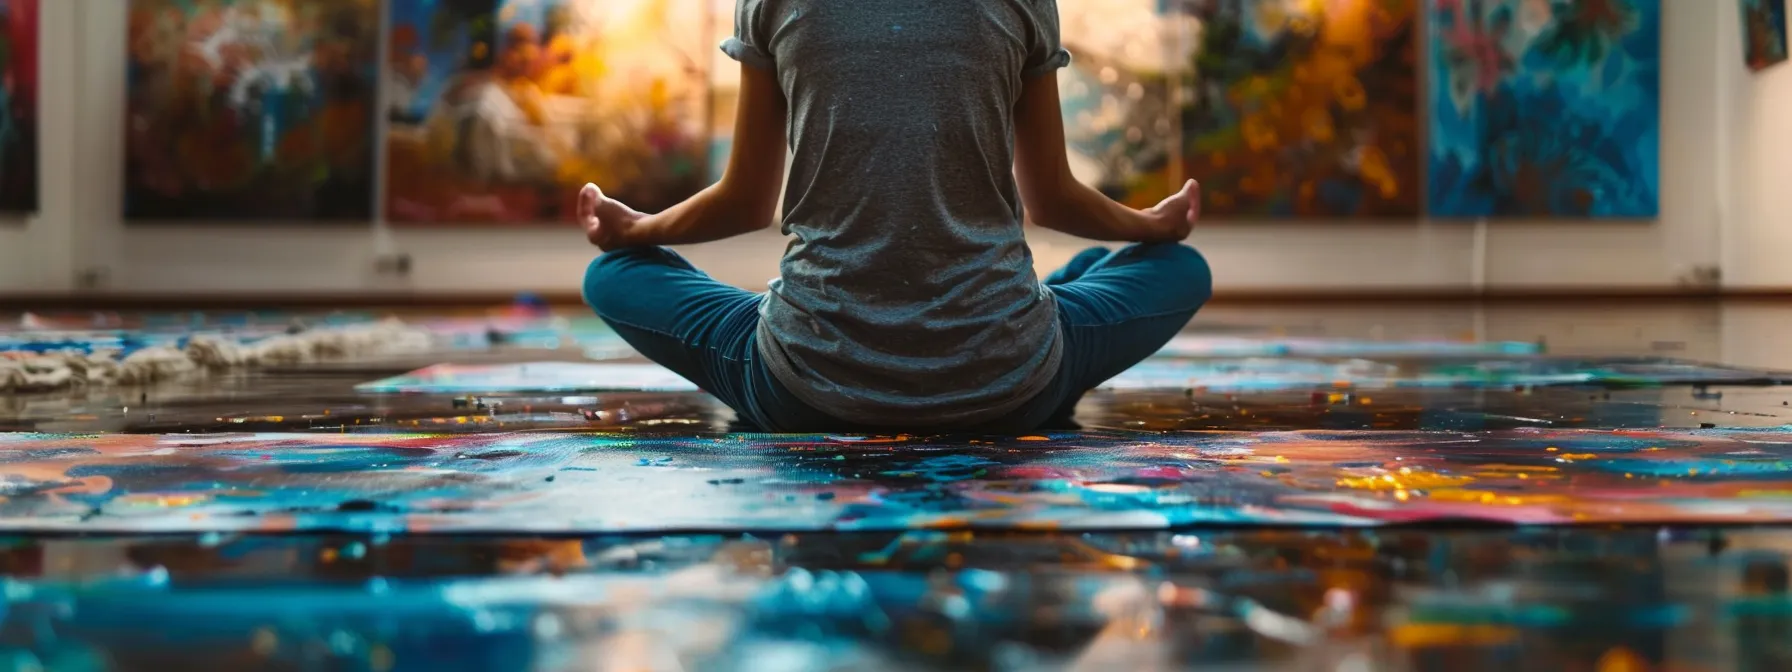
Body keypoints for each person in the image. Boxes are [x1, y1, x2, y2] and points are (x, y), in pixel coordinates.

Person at [576, 0, 1210, 433]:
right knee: (1171, 267)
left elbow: (744, 203)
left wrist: (635, 230)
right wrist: (1152, 226)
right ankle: (1048, 325)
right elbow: (1054, 201)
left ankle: (1052, 307)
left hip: (804, 391)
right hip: (1009, 386)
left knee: (611, 277)